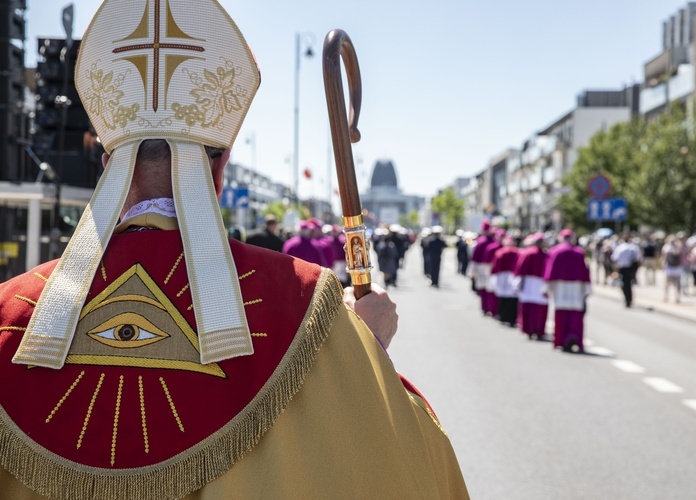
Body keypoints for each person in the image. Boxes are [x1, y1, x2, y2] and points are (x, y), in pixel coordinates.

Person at [0, 1, 467, 497]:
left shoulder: (10, 308)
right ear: (218, 171)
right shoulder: (308, 307)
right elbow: (404, 468)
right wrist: (365, 352)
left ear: (108, 162)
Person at [543, 229, 591, 352]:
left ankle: (560, 339)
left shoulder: (555, 251)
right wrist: (586, 290)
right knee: (575, 316)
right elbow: (585, 273)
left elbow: (549, 272)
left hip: (560, 287)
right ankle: (575, 338)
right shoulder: (579, 252)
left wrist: (546, 288)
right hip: (576, 288)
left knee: (561, 316)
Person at [514, 233, 549, 340]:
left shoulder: (527, 253)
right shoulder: (546, 255)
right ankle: (538, 330)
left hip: (528, 284)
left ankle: (528, 329)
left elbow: (519, 268)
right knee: (539, 309)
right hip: (540, 283)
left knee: (528, 307)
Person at [489, 236, 520, 327]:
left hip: (502, 277)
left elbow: (495, 265)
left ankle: (502, 316)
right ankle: (512, 318)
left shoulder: (500, 252)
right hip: (512, 276)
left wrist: (493, 274)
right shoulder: (517, 252)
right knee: (512, 299)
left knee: (503, 298)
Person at [611, 234, 642, 308]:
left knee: (624, 284)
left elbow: (614, 258)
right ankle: (629, 299)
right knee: (629, 284)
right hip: (631, 268)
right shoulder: (634, 247)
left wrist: (615, 269)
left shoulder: (620, 248)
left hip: (623, 268)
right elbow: (639, 259)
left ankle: (627, 299)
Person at [661, 236, 683, 303]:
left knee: (667, 283)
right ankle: (677, 297)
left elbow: (663, 257)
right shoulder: (678, 246)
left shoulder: (666, 247)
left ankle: (666, 297)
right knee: (677, 284)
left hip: (669, 268)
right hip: (677, 268)